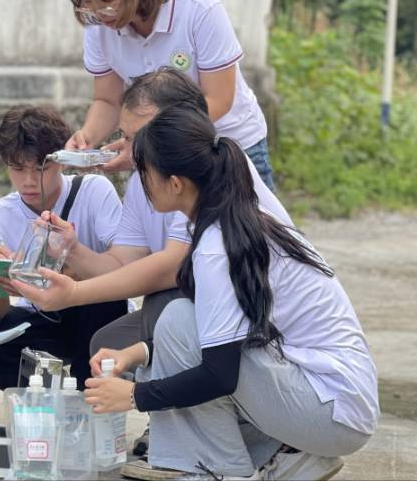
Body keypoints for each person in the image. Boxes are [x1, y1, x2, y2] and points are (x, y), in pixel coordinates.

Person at [19, 107, 379, 481]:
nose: (140, 183)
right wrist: (137, 353)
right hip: (328, 400)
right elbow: (212, 334)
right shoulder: (230, 217)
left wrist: (133, 395)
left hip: (330, 412)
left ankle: (215, 471)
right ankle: (272, 456)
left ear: (175, 183)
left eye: (144, 173)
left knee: (177, 323)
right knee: (177, 320)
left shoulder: (216, 246)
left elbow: (220, 374)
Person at [17, 69, 293, 458]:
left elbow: (170, 268)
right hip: (216, 318)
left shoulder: (203, 180)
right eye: (127, 136)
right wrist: (72, 250)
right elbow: (122, 263)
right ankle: (201, 432)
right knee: (110, 343)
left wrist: (74, 293)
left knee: (166, 311)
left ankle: (227, 443)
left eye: (136, 137)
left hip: (271, 337)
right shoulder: (144, 183)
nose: (127, 149)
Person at [63, 0, 275, 189]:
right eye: (85, 2)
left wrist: (144, 141)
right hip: (162, 159)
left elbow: (218, 100)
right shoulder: (99, 28)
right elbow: (108, 100)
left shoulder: (198, 7)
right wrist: (87, 137)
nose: (98, 13)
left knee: (242, 218)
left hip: (228, 148)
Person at [0, 106, 126, 390]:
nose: (29, 181)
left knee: (105, 301)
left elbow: (123, 272)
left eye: (41, 168)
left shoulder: (94, 191)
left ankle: (87, 392)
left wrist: (68, 262)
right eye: (17, 169)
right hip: (42, 317)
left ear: (60, 162)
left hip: (93, 311)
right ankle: (53, 391)